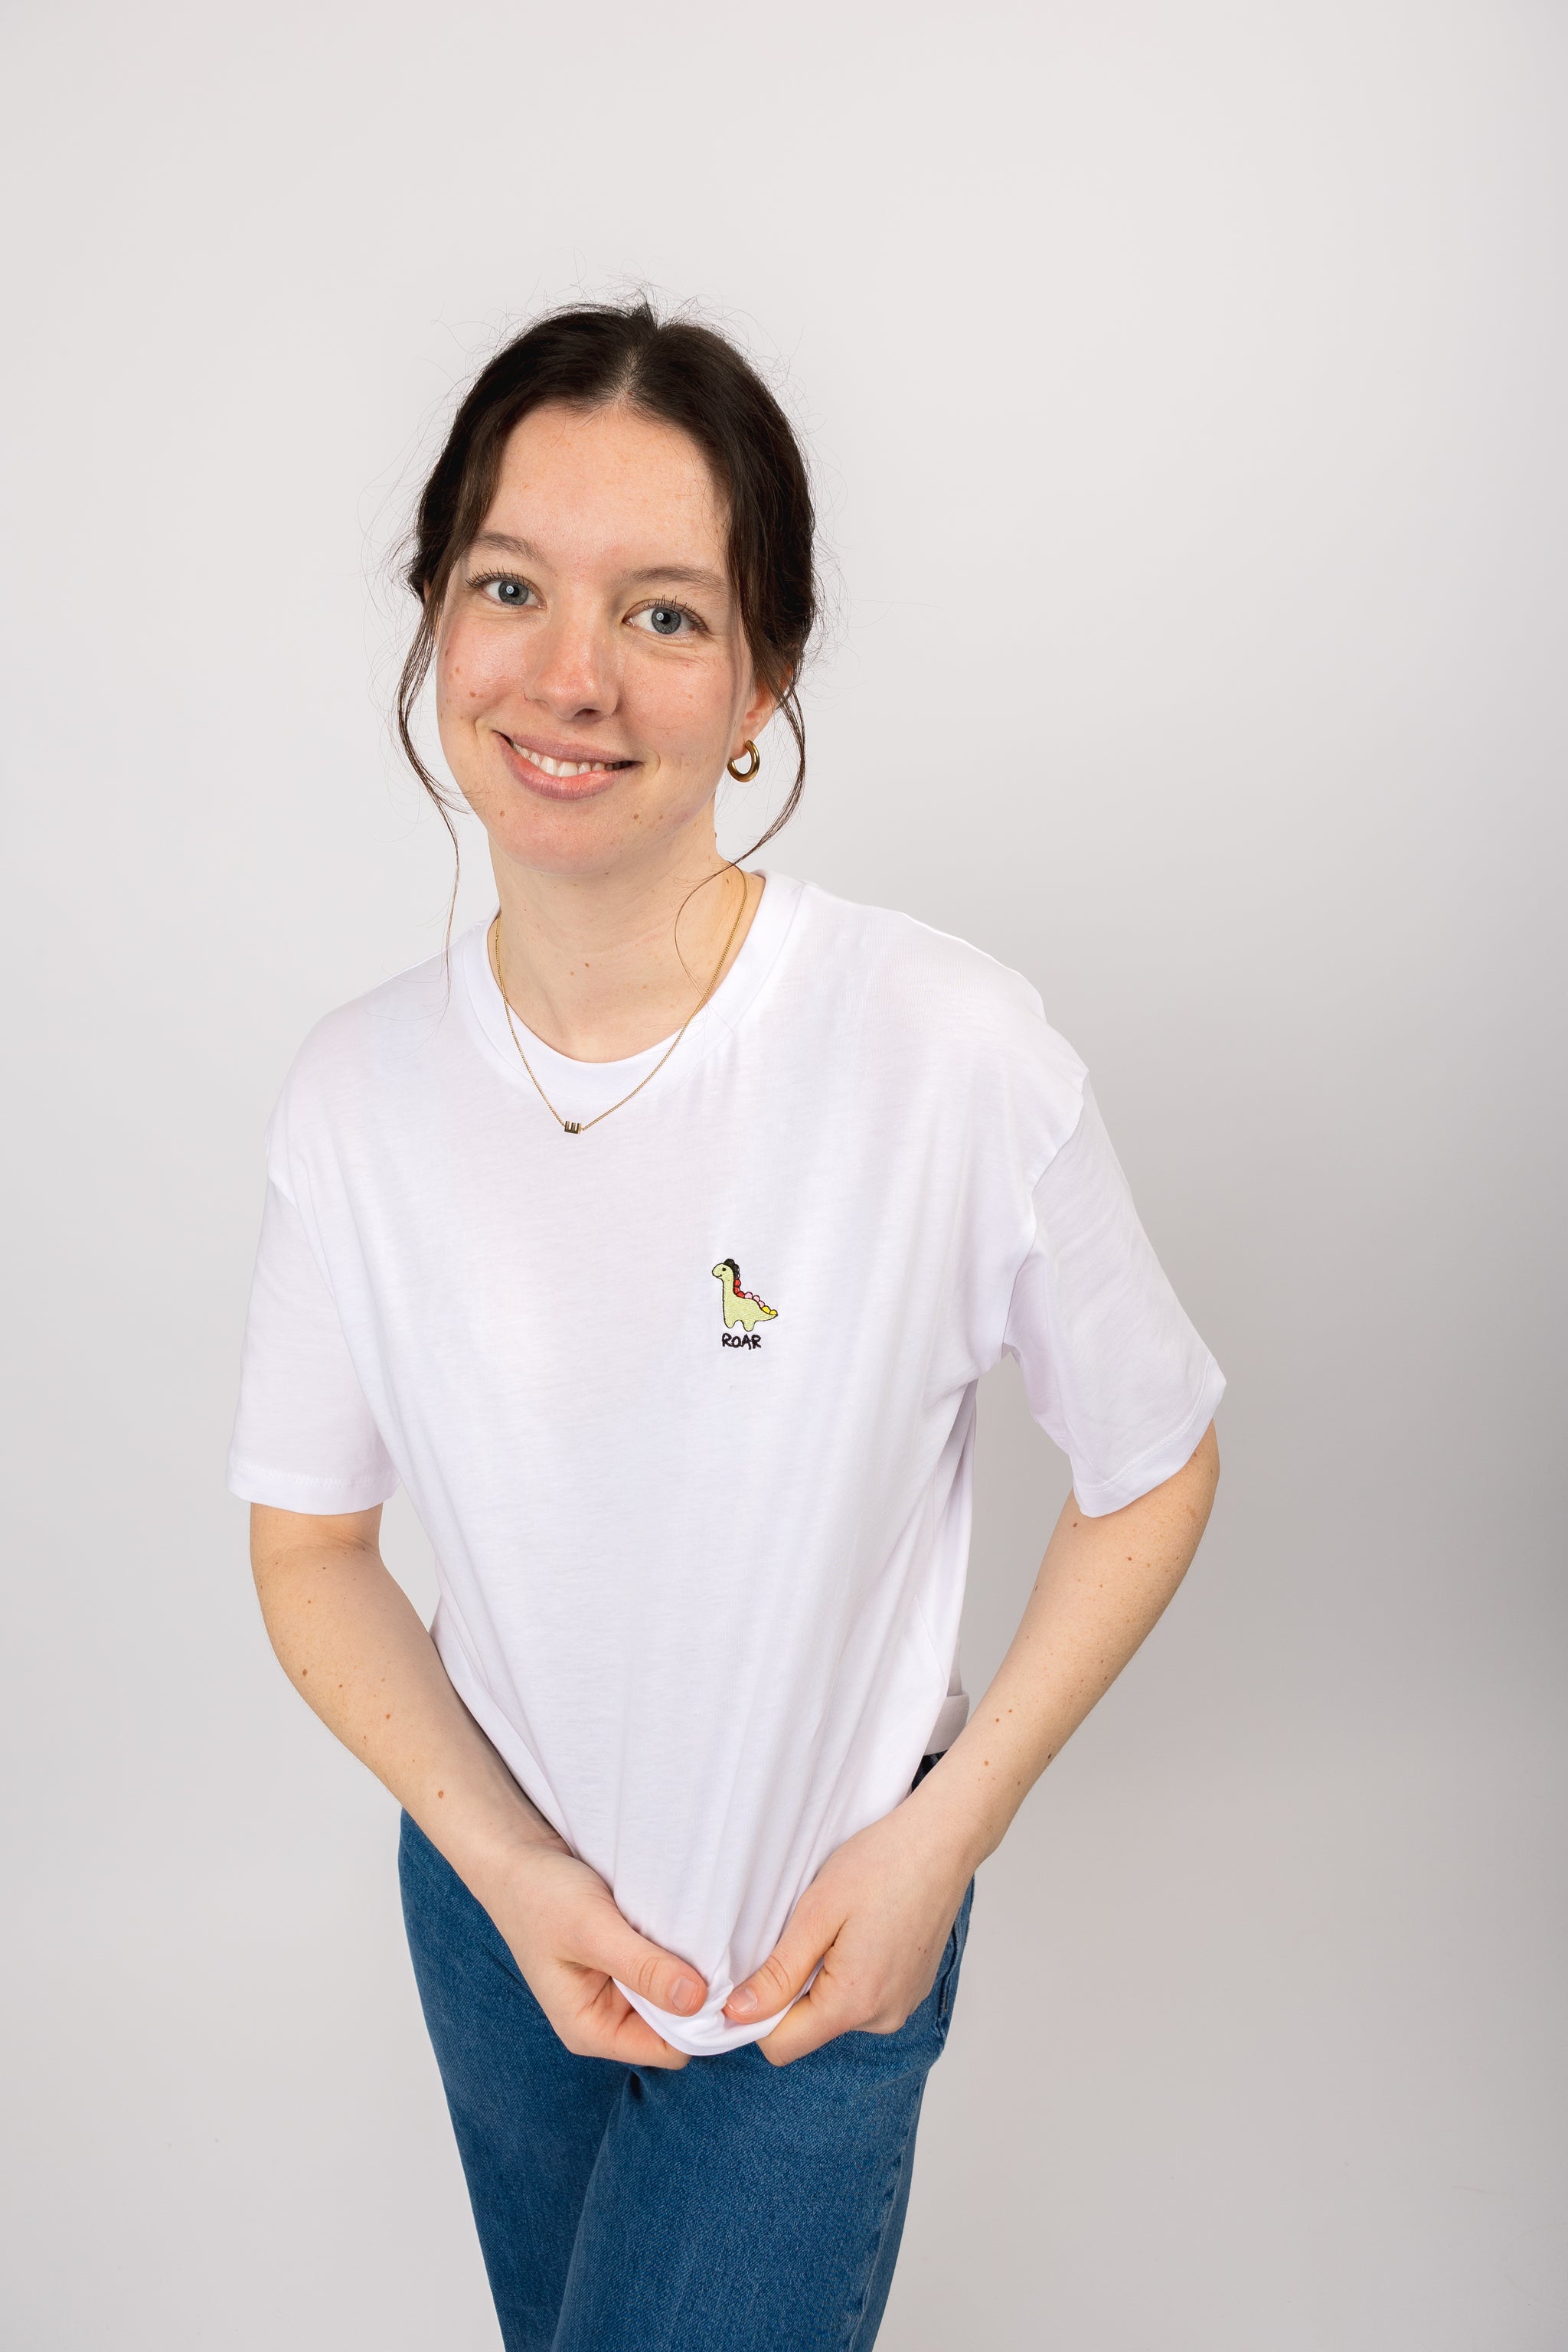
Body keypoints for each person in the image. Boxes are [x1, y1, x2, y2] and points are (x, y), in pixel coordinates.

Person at [227, 299, 1223, 2351]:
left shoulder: (944, 1050)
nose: (572, 677)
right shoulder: (354, 1096)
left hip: (808, 1978)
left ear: (765, 676)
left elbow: (1155, 1464)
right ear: (438, 616)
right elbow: (310, 1546)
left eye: (665, 615)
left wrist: (943, 1844)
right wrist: (506, 1874)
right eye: (511, 585)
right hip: (494, 1923)